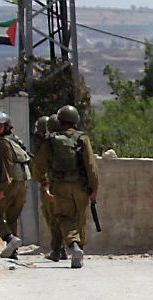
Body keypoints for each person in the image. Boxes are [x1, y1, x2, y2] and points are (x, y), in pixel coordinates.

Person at [32, 105, 99, 269]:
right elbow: (91, 166)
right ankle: (79, 250)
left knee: (64, 217)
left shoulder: (51, 141)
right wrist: (94, 189)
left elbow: (37, 167)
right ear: (75, 120)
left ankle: (74, 246)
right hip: (81, 187)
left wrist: (44, 183)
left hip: (59, 187)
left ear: (59, 121)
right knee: (80, 218)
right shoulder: (82, 138)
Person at [0, 111, 31, 259]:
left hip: (9, 185)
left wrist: (1, 189)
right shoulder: (16, 142)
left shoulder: (5, 144)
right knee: (12, 217)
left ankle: (10, 239)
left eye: (0, 125)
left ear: (7, 126)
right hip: (22, 185)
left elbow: (7, 167)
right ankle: (12, 251)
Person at [31, 114, 66, 262]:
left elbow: (40, 168)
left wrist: (43, 183)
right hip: (63, 185)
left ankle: (57, 250)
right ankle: (62, 248)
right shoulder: (62, 143)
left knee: (52, 218)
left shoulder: (48, 145)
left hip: (51, 185)